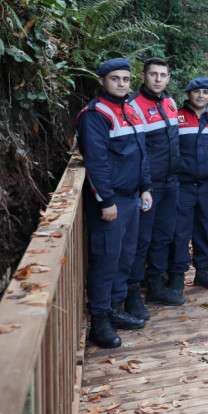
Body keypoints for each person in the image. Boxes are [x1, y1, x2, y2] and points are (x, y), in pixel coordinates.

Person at [76, 58, 152, 348]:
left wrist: (145, 187)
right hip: (112, 201)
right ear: (102, 81)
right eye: (115, 78)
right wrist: (106, 200)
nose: (121, 83)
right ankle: (100, 321)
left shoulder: (130, 109)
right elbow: (96, 162)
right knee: (106, 258)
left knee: (125, 256)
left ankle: (116, 308)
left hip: (132, 197)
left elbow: (141, 153)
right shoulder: (94, 115)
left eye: (125, 79)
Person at [129, 57, 184, 311]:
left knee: (163, 236)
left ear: (168, 78)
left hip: (171, 182)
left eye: (163, 75)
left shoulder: (170, 103)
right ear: (144, 76)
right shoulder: (134, 106)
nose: (158, 79)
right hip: (149, 187)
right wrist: (144, 186)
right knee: (142, 240)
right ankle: (132, 294)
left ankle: (156, 286)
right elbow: (137, 151)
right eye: (153, 74)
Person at [171, 76, 208, 291]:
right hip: (182, 184)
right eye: (196, 91)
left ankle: (203, 271)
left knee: (205, 228)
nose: (201, 96)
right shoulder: (176, 117)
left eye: (205, 92)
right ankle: (177, 275)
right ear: (188, 94)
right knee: (180, 230)